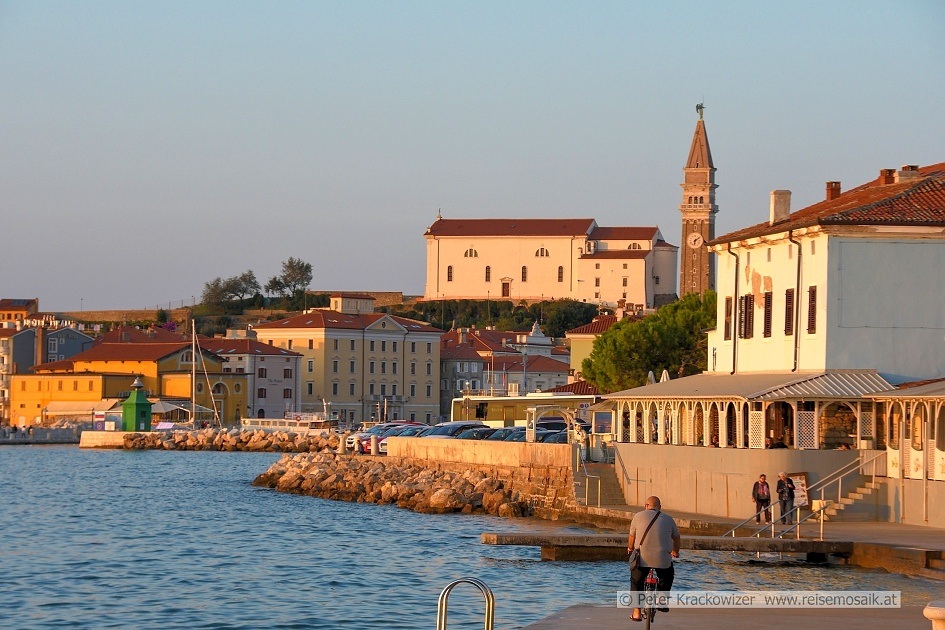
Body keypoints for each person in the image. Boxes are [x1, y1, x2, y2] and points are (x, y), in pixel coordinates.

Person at [627, 496, 680, 622]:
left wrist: (630, 549)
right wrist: (675, 551)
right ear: (660, 507)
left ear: (646, 506)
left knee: (636, 581)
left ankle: (637, 612)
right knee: (667, 575)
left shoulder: (638, 516)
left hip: (642, 558)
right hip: (662, 558)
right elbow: (676, 538)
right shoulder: (668, 519)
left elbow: (631, 537)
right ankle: (661, 601)